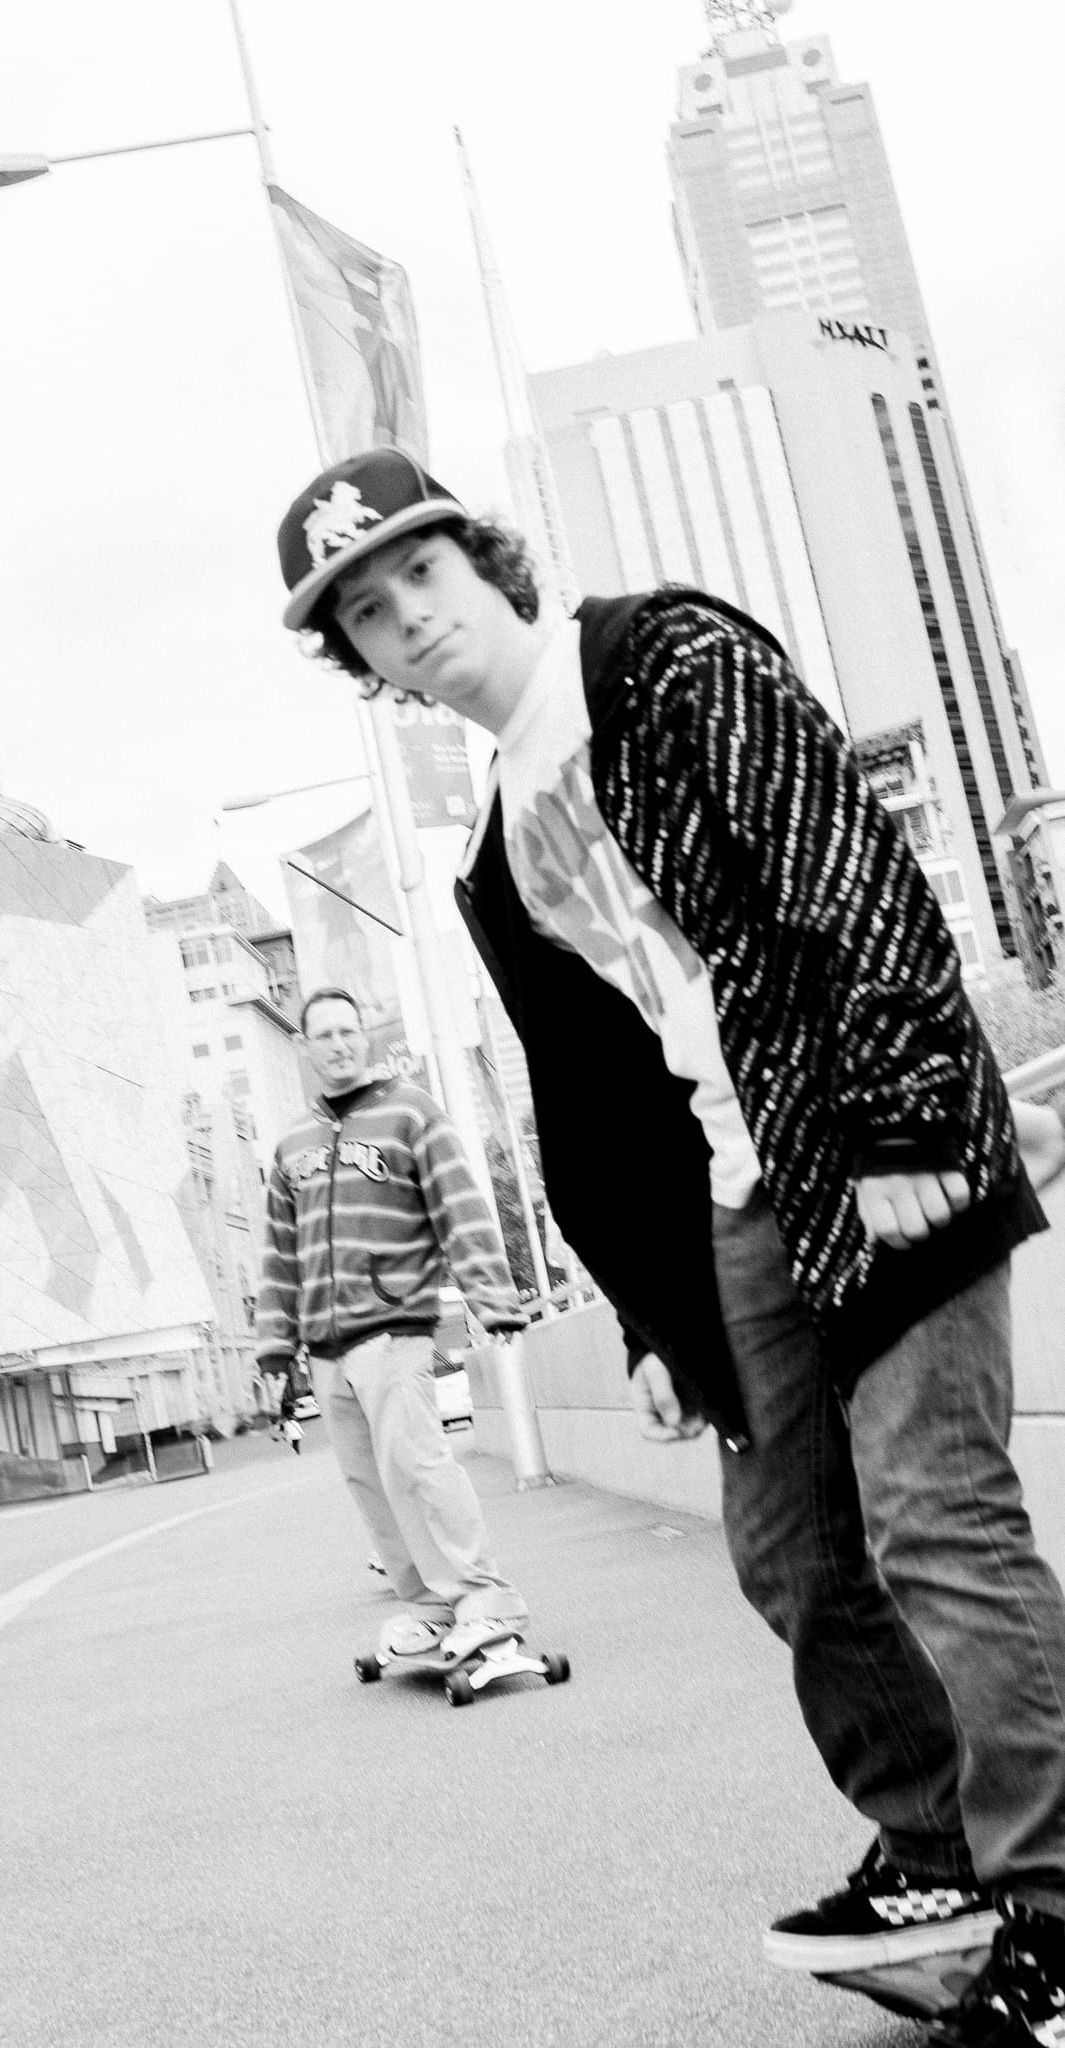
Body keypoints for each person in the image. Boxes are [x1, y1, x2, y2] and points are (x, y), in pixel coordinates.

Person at [274, 446, 1065, 2045]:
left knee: (933, 1519)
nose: (409, 617)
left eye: (419, 571)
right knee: (789, 1551)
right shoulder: (496, 857)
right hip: (738, 1199)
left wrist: (911, 1117)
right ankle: (933, 1853)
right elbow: (596, 1102)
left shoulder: (659, 660)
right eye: (367, 611)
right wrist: (651, 1319)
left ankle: (1051, 1898)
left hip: (871, 1138)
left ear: (481, 560)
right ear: (357, 660)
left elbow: (844, 869)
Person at [255, 984, 531, 1663]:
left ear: (366, 1036)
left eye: (350, 1031)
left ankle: (485, 1597)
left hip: (393, 1328)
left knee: (419, 1464)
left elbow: (460, 1206)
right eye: (325, 1035)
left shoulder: (412, 1113)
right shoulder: (292, 1142)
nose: (341, 1044)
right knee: (369, 1485)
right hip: (325, 1347)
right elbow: (277, 1254)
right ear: (304, 1047)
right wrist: (273, 1349)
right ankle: (430, 1607)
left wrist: (492, 1298)